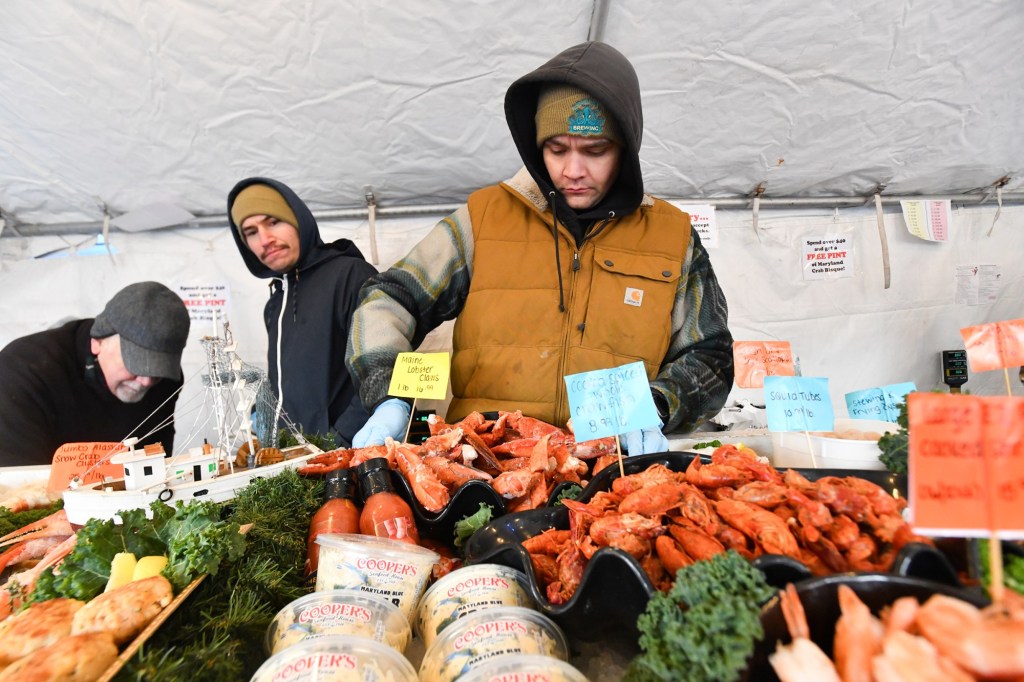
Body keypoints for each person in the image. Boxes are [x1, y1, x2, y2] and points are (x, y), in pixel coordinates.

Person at [346, 41, 734, 454]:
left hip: (609, 470)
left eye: (595, 150)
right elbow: (388, 299)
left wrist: (656, 405)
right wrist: (387, 394)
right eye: (556, 149)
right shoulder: (484, 218)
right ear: (536, 146)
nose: (573, 170)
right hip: (485, 468)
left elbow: (710, 356)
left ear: (626, 148)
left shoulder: (671, 235)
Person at [228, 177, 378, 447]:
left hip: (345, 458)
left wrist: (339, 441)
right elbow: (283, 383)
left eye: (273, 222)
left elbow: (379, 372)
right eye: (251, 232)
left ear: (298, 219)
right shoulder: (274, 305)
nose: (265, 240)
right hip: (294, 460)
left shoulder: (351, 276)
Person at [0, 281, 190, 467]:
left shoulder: (165, 381)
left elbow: (155, 464)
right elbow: (18, 484)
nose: (147, 381)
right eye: (137, 365)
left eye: (159, 367)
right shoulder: (22, 374)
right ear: (97, 342)